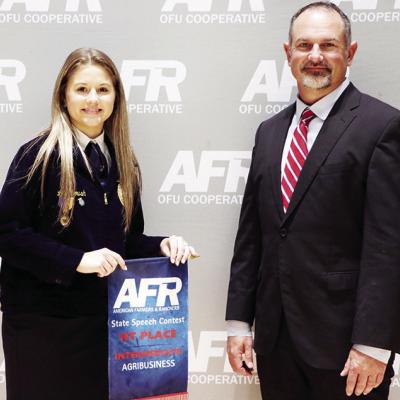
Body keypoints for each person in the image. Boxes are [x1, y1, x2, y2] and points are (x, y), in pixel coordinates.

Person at [0, 48, 198, 400]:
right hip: (42, 329)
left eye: (103, 90)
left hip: (102, 328)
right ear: (64, 94)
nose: (93, 100)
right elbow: (8, 234)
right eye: (82, 89)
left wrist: (162, 245)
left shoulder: (123, 160)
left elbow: (126, 241)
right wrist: (76, 260)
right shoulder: (37, 155)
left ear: (116, 97)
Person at [225, 2, 400, 399]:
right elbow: (251, 235)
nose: (315, 56)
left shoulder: (382, 126)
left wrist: (373, 346)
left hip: (347, 351)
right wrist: (239, 323)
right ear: (288, 54)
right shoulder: (268, 132)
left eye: (328, 45)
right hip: (275, 342)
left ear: (349, 53)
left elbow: (388, 247)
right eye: (304, 45)